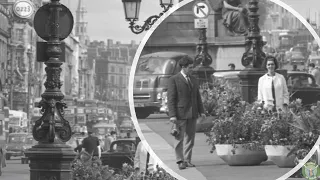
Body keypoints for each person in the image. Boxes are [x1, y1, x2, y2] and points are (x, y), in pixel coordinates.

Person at [167, 55, 206, 170]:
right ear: (183, 67)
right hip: (180, 114)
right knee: (179, 138)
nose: (191, 69)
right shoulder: (173, 79)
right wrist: (172, 115)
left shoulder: (193, 79)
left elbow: (197, 97)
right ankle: (180, 160)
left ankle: (187, 160)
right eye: (189, 67)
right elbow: (171, 99)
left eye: (192, 67)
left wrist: (201, 111)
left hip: (192, 113)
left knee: (190, 138)